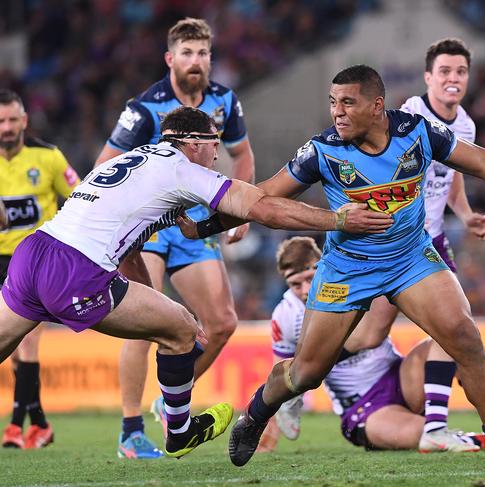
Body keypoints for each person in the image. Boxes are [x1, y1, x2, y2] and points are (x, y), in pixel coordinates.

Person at [0, 106, 392, 460]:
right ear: (193, 144)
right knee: (183, 329)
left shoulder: (133, 159)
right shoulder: (181, 169)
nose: (217, 155)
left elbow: (130, 247)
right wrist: (337, 220)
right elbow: (262, 208)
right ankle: (180, 432)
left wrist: (148, 302)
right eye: (213, 144)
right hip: (75, 269)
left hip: (33, 252)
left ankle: (177, 427)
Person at [225, 64, 485, 470]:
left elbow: (483, 164)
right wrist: (211, 218)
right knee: (306, 373)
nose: (338, 112)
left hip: (410, 258)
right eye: (333, 103)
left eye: (348, 103)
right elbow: (263, 196)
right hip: (347, 269)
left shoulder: (418, 132)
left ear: (377, 106)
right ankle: (256, 414)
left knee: (465, 337)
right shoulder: (322, 151)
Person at [359, 38, 485, 450]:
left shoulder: (465, 124)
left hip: (430, 241)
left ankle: (458, 426)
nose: (454, 79)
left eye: (461, 72)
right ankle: (293, 371)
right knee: (364, 338)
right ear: (428, 78)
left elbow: (453, 174)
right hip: (392, 240)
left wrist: (466, 213)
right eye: (446, 72)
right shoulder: (410, 116)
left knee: (456, 330)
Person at [94, 18, 255, 458]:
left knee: (222, 324)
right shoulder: (144, 107)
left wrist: (237, 214)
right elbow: (104, 163)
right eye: (187, 53)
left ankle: (171, 405)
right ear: (170, 59)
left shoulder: (224, 100)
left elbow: (242, 155)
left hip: (191, 226)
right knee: (145, 322)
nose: (195, 61)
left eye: (203, 53)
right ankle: (131, 430)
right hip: (148, 227)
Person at [258, 236, 485, 453]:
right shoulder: (286, 314)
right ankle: (461, 435)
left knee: (450, 336)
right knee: (418, 435)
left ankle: (439, 428)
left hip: (399, 377)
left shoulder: (351, 279)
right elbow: (281, 373)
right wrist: (271, 423)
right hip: (363, 407)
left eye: (310, 278)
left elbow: (373, 333)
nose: (306, 291)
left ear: (321, 266)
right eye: (295, 284)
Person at [0, 89, 80, 449]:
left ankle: (15, 427)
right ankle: (41, 424)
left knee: (27, 342)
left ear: (24, 121)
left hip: (35, 262)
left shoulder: (47, 157)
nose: (6, 127)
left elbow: (79, 199)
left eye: (12, 120)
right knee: (13, 346)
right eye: (1, 121)